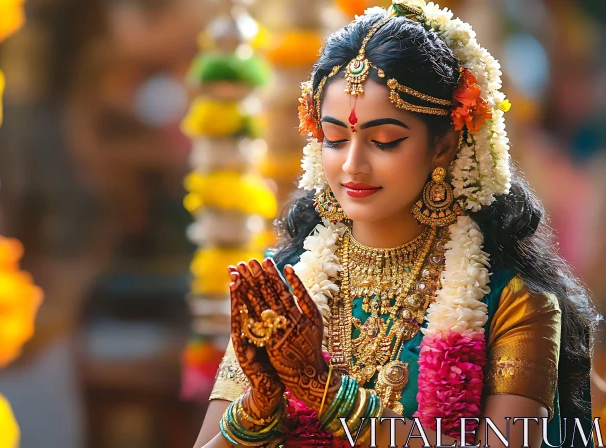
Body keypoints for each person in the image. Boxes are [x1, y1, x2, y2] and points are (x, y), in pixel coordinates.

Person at [193, 1, 598, 447]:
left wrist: (328, 393)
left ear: (443, 145)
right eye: (334, 138)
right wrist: (258, 407)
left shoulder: (516, 302)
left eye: (384, 141)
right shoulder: (281, 293)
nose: (352, 165)